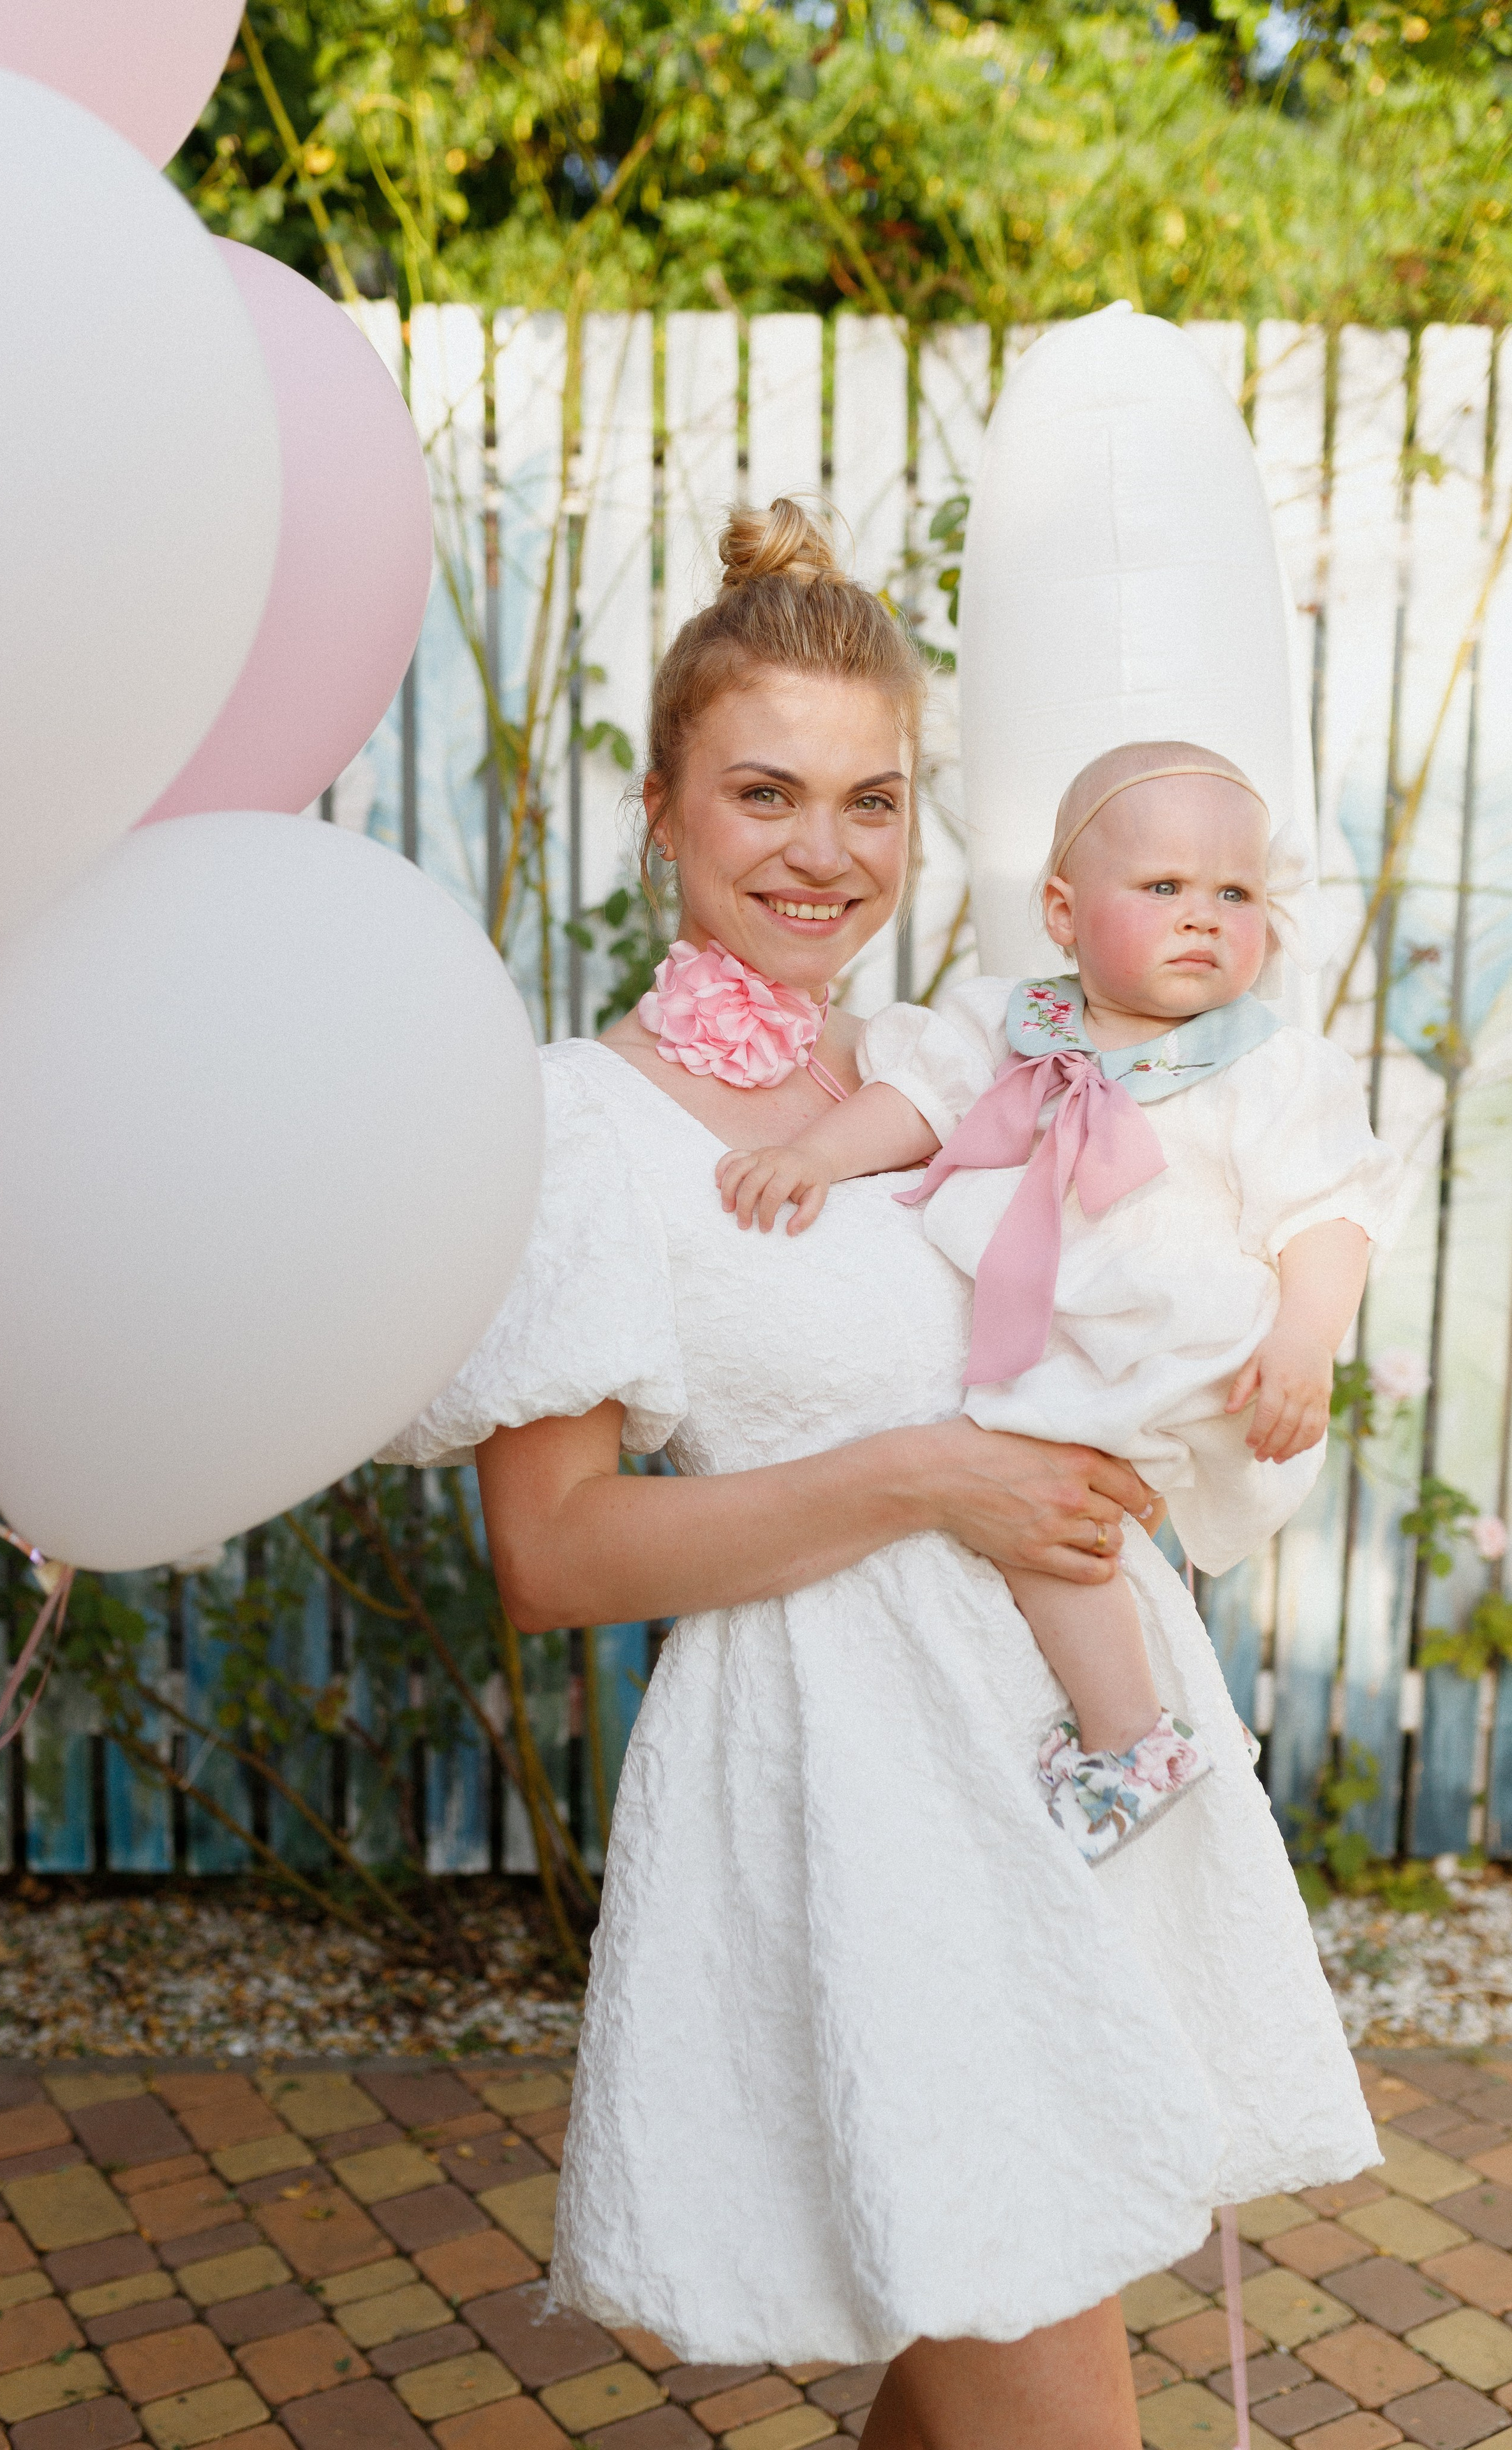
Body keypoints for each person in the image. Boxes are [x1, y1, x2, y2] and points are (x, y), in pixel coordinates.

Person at [380, 501, 1376, 2450]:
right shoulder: (587, 1133)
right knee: (1041, 2358)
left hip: (1074, 1766)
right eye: (764, 794)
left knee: (980, 2332)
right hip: (871, 1808)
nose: (822, 853)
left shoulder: (954, 1073)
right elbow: (554, 1555)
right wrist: (936, 1478)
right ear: (661, 808)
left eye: (870, 801)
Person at [713, 739, 1403, 1864]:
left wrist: (1306, 1342)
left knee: (1052, 1509)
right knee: (1070, 1515)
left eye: (1236, 892)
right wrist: (816, 1157)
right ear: (1064, 911)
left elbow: (1328, 1213)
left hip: (1182, 1346)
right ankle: (1183, 1704)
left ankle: (1132, 1737)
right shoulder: (1009, 1023)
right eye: (1165, 887)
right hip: (1079, 1343)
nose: (1204, 917)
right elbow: (918, 1101)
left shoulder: (1271, 1066)